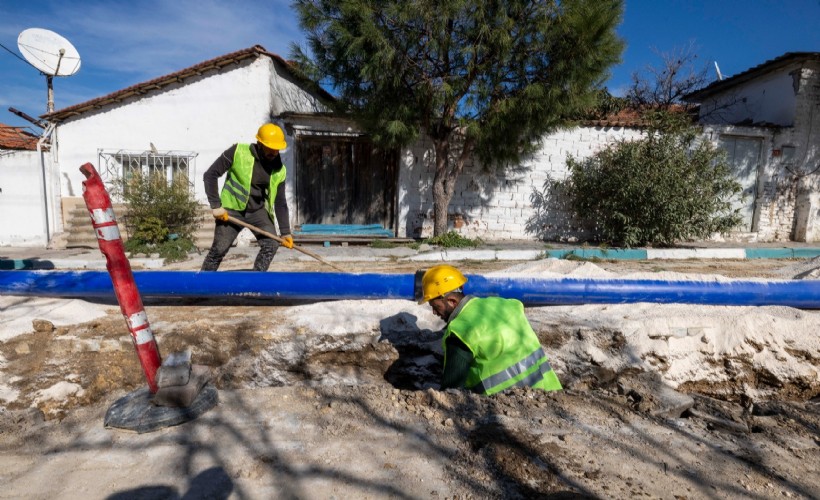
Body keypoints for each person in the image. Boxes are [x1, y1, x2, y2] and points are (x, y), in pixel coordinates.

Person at [418, 264, 563, 395]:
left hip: (509, 411)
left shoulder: (460, 332)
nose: (434, 313)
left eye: (436, 307)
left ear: (452, 301)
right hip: (552, 395)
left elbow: (451, 391)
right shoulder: (504, 304)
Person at [200, 123, 294, 271]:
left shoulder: (279, 169)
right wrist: (216, 205)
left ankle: (256, 282)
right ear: (259, 144)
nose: (274, 152)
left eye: (277, 149)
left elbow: (281, 202)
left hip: (258, 211)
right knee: (219, 250)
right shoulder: (238, 151)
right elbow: (210, 175)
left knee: (271, 244)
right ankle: (202, 286)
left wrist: (285, 232)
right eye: (270, 147)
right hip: (232, 209)